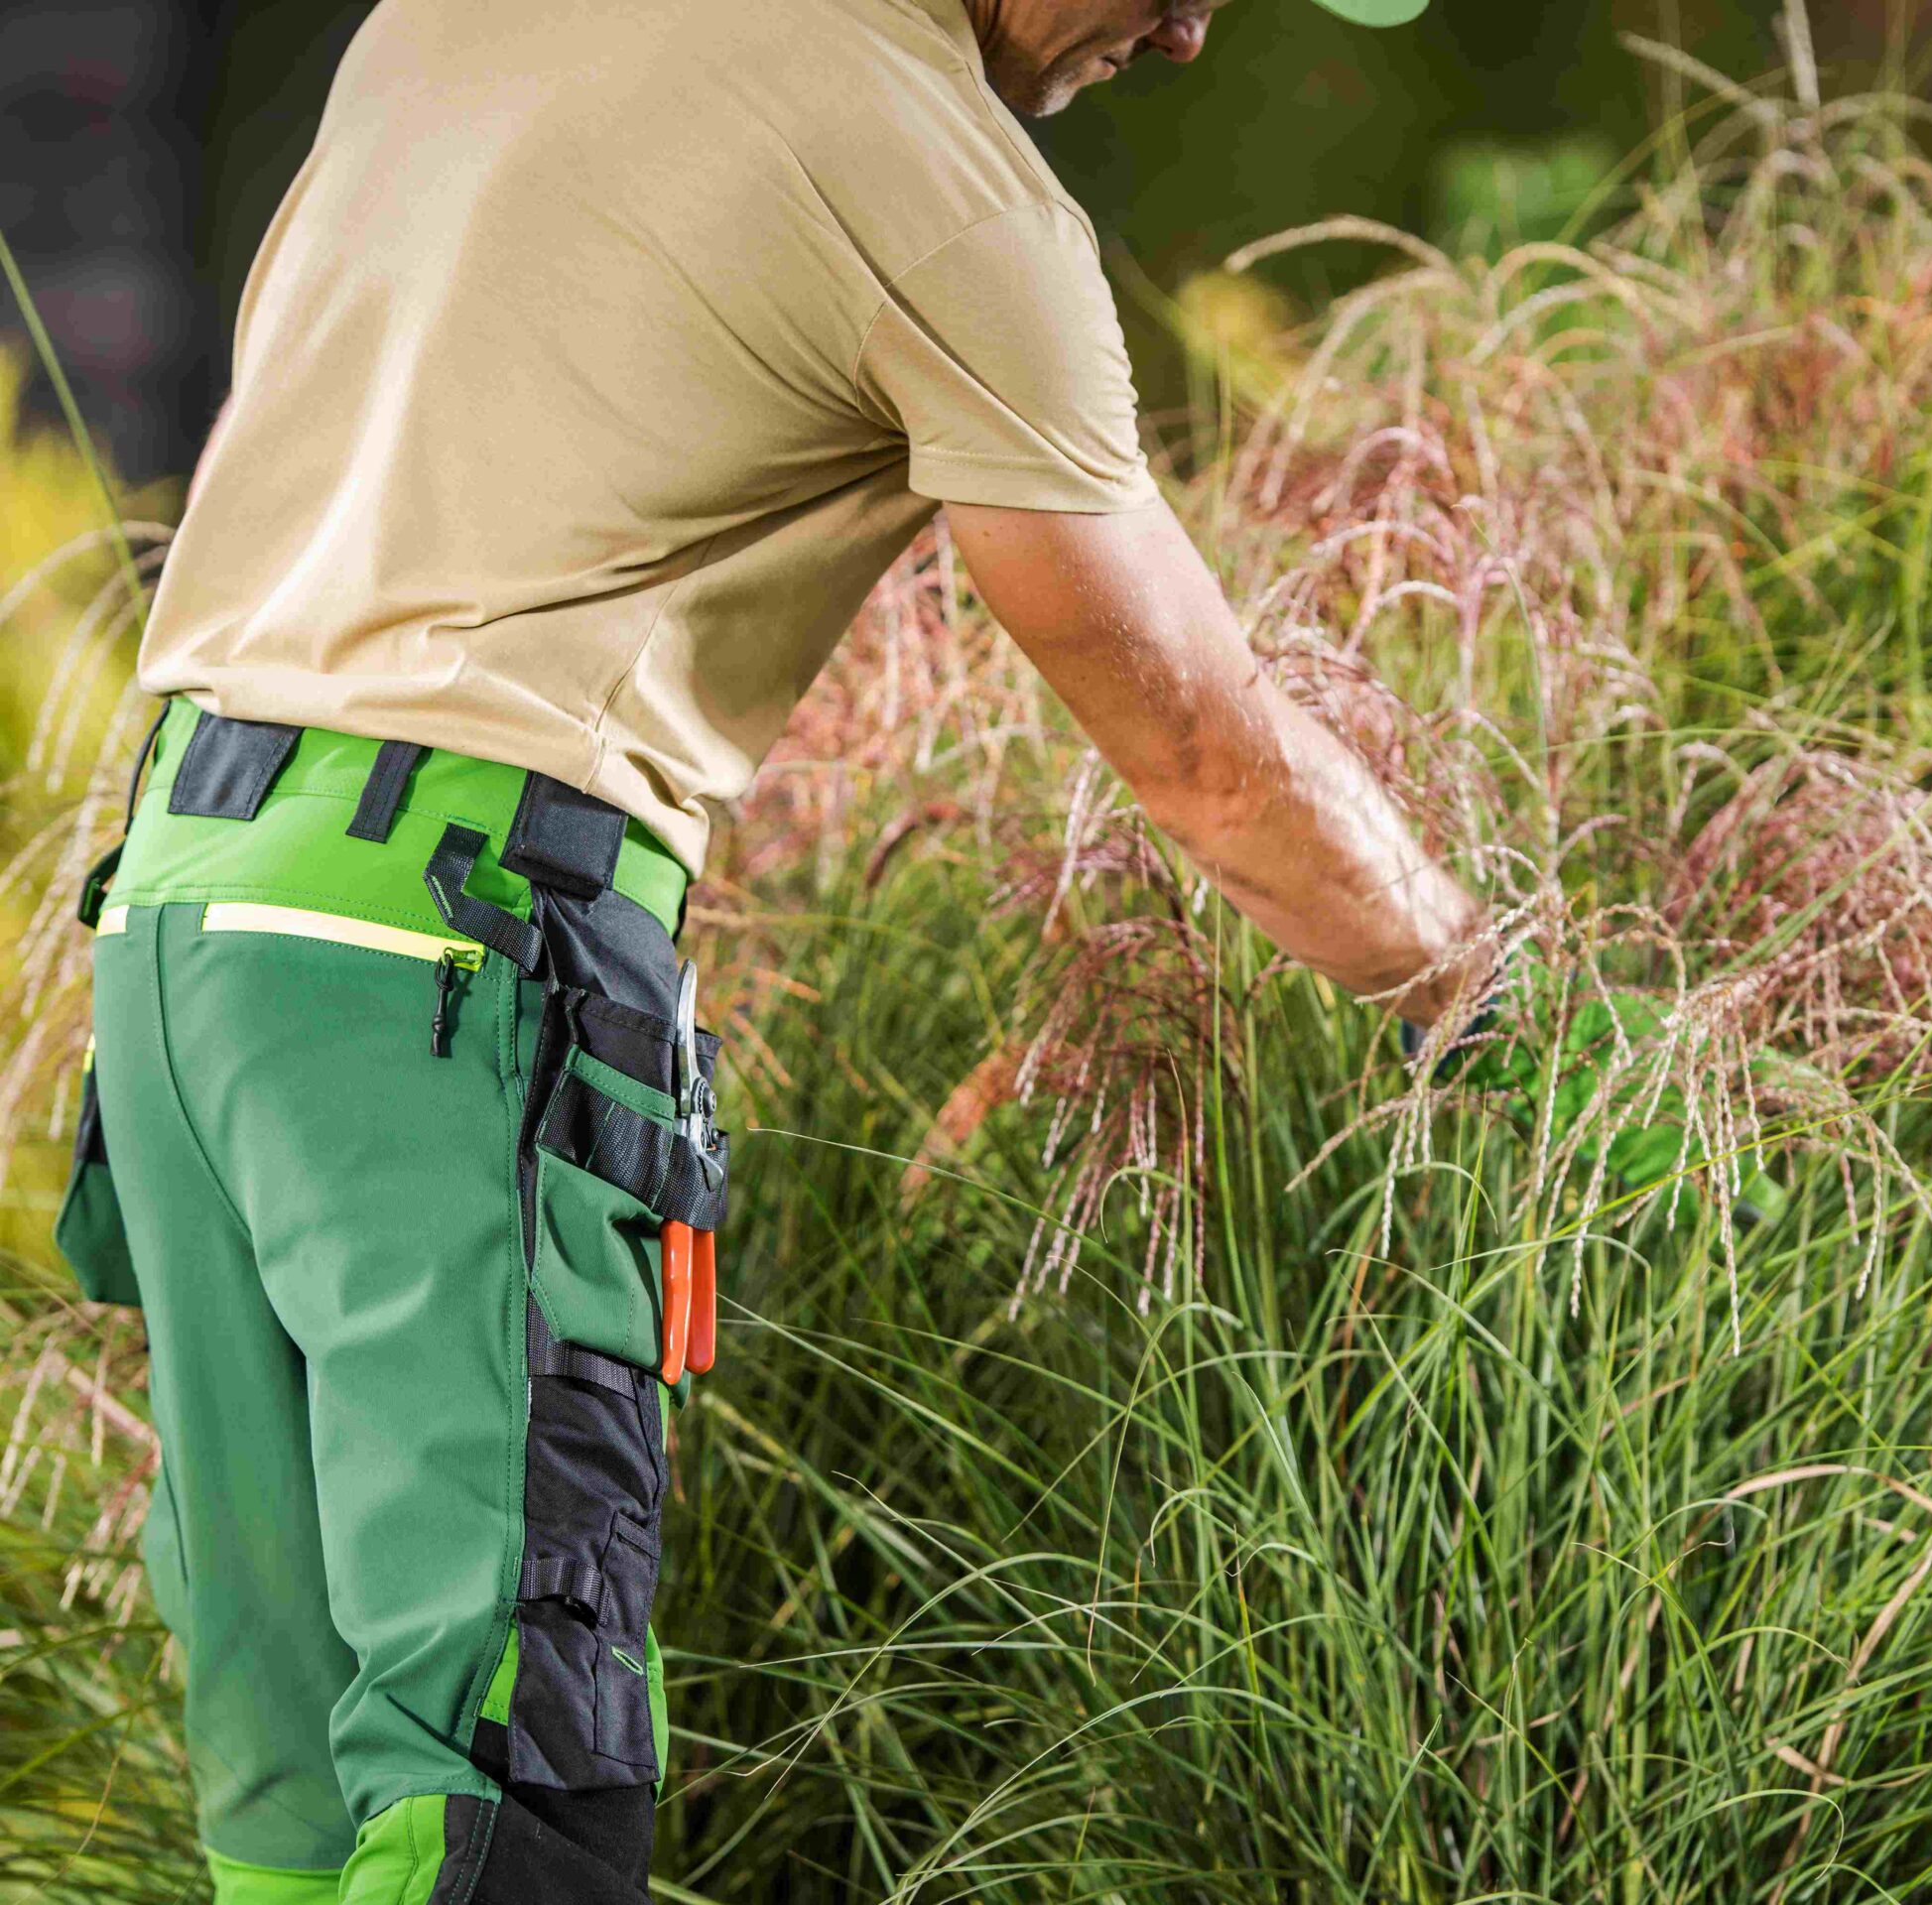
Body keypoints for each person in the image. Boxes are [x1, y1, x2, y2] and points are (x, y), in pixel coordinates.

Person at [50, 0, 1492, 1900]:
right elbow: (1205, 748)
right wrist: (1493, 997)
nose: (1195, 29)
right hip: (449, 971)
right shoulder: (949, 190)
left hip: (183, 924)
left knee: (296, 1807)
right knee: (504, 1792)